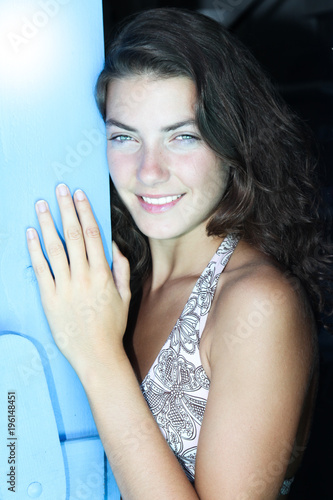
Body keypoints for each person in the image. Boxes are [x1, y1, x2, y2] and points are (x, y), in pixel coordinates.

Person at [26, 8, 332, 500]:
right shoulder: (118, 280)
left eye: (182, 136)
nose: (149, 171)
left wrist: (98, 357)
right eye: (124, 136)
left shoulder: (257, 303)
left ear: (233, 141)